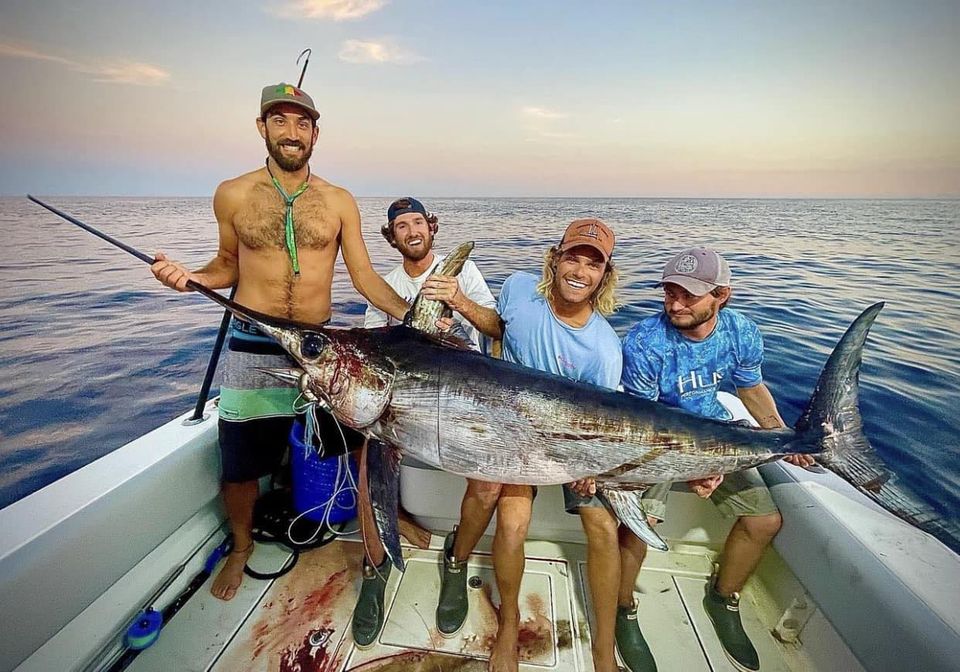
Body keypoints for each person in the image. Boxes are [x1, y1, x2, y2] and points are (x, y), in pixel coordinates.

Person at [150, 82, 408, 602]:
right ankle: (242, 547)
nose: (292, 132)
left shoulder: (339, 200)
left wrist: (413, 320)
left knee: (360, 448)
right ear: (262, 127)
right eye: (281, 121)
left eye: (302, 123)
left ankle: (379, 533)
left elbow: (363, 276)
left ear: (315, 133)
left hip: (322, 349)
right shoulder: (233, 193)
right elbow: (225, 265)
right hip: (253, 341)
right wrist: (190, 278)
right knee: (241, 461)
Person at [421, 218, 622, 672]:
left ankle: (606, 645)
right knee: (510, 521)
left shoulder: (603, 348)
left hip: (571, 442)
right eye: (573, 256)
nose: (580, 271)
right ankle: (505, 618)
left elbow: (601, 420)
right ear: (555, 258)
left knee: (605, 527)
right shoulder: (519, 287)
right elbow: (500, 326)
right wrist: (458, 300)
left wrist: (589, 463)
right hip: (506, 432)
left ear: (604, 276)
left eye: (594, 264)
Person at [617, 247, 815, 672]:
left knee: (764, 521)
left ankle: (723, 597)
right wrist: (700, 465)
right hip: (655, 441)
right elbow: (643, 424)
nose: (674, 304)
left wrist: (782, 436)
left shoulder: (741, 331)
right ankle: (622, 606)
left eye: (688, 296)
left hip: (715, 434)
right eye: (669, 292)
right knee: (638, 523)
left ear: (722, 295)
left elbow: (750, 389)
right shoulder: (646, 341)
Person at [351, 196, 498, 648]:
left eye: (418, 222)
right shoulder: (387, 287)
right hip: (406, 406)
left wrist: (458, 302)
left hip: (464, 402)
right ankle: (373, 571)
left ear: (431, 228)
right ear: (391, 236)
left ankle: (456, 560)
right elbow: (374, 354)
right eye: (401, 225)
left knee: (490, 482)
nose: (411, 230)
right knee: (367, 468)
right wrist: (416, 323)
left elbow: (495, 327)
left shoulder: (463, 273)